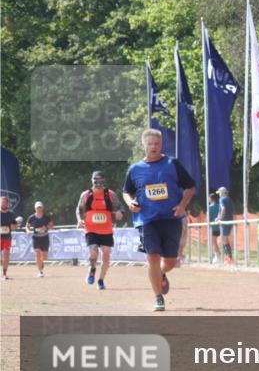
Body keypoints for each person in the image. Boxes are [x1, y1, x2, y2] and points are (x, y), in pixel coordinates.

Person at [122, 128, 196, 312]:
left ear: (161, 145)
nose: (153, 147)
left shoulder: (172, 164)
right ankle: (158, 298)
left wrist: (182, 206)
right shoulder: (135, 169)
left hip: (171, 218)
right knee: (152, 257)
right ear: (144, 145)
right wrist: (130, 202)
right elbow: (126, 191)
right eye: (150, 144)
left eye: (156, 144)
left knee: (170, 261)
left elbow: (190, 187)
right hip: (146, 220)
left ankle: (161, 274)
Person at [76, 171, 123, 290]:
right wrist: (79, 220)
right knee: (93, 253)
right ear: (91, 181)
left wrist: (119, 213)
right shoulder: (86, 194)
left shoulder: (110, 194)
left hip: (106, 230)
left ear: (104, 181)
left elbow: (120, 207)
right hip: (90, 229)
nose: (98, 183)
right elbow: (79, 209)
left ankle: (101, 280)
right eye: (95, 180)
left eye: (101, 180)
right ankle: (92, 269)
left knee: (106, 255)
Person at [25, 201, 54, 277]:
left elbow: (51, 226)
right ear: (35, 208)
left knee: (45, 256)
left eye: (40, 207)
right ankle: (40, 271)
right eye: (38, 207)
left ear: (43, 208)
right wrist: (28, 230)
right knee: (37, 254)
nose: (39, 209)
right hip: (36, 238)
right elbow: (27, 226)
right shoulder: (32, 217)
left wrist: (47, 227)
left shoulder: (46, 217)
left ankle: (41, 261)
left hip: (44, 237)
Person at [216, 187, 235, 265]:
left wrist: (220, 218)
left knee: (223, 240)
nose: (219, 195)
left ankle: (229, 258)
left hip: (225, 221)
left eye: (219, 193)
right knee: (224, 240)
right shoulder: (229, 199)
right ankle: (228, 258)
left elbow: (223, 209)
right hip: (230, 221)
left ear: (222, 193)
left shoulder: (222, 200)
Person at [0, 196, 14, 280]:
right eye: (1, 202)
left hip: (7, 237)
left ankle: (4, 273)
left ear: (7, 204)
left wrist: (14, 226)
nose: (3, 203)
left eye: (4, 202)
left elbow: (14, 225)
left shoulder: (11, 214)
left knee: (6, 255)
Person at [208, 192, 221, 261]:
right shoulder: (219, 206)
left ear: (211, 199)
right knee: (217, 242)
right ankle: (217, 255)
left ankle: (218, 256)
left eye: (208, 198)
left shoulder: (209, 207)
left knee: (214, 242)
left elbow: (208, 218)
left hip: (213, 227)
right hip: (220, 227)